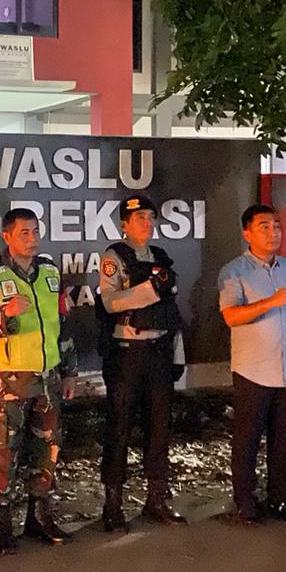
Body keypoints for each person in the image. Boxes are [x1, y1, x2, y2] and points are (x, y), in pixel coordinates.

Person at [0, 208, 77, 554]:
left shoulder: (50, 271)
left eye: (35, 232)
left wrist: (69, 371)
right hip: (9, 380)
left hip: (48, 377)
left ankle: (39, 518)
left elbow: (62, 325)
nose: (32, 239)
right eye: (24, 233)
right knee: (3, 453)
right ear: (7, 236)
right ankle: (2, 527)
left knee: (46, 450)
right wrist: (4, 315)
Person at [218, 204, 286, 524]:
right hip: (253, 371)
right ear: (247, 233)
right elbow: (231, 316)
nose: (273, 233)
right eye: (264, 227)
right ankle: (245, 501)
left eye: (276, 226)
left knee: (284, 439)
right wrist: (270, 303)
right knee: (247, 440)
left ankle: (281, 497)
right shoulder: (234, 271)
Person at [96, 195, 187, 532]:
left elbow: (172, 311)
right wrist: (150, 289)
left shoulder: (160, 257)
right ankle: (113, 504)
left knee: (159, 427)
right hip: (128, 353)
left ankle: (156, 499)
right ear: (124, 223)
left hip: (159, 351)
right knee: (119, 427)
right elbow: (110, 302)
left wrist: (178, 355)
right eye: (139, 218)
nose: (147, 223)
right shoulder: (115, 256)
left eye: (151, 217)